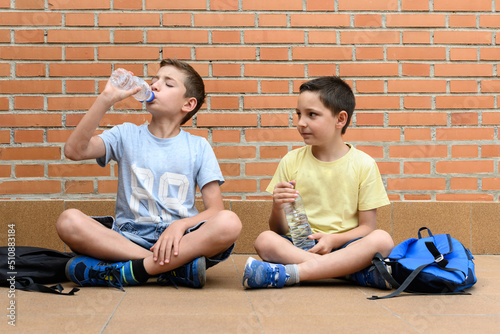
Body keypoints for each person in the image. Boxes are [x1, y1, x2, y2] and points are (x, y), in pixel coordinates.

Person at [57, 59, 241, 290]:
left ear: (188, 104)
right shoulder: (125, 135)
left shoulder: (199, 146)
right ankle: (173, 268)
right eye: (154, 81)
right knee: (68, 221)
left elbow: (216, 210)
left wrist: (180, 226)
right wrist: (105, 99)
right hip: (128, 238)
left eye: (168, 83)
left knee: (229, 222)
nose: (154, 86)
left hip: (180, 242)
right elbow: (74, 151)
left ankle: (135, 269)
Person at [242, 76, 393, 289]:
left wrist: (334, 240)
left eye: (312, 115)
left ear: (340, 119)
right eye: (298, 115)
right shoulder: (291, 161)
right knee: (265, 240)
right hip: (301, 246)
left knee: (382, 239)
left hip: (345, 246)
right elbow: (278, 229)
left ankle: (292, 273)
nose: (301, 123)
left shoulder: (364, 164)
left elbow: (367, 228)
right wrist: (277, 206)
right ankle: (347, 272)